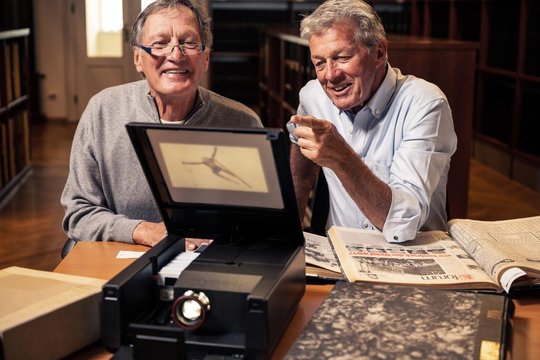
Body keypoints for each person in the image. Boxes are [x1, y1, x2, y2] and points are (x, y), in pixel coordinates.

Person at [61, 0, 262, 248]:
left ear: (205, 57)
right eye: (160, 43)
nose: (175, 55)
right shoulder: (102, 110)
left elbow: (260, 223)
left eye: (188, 43)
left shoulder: (243, 122)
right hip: (122, 257)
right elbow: (78, 214)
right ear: (138, 58)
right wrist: (144, 231)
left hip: (212, 261)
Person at [287, 0, 457, 243]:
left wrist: (341, 158)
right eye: (320, 63)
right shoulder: (312, 96)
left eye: (343, 57)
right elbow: (300, 176)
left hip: (411, 254)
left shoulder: (425, 104)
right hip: (339, 253)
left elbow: (404, 223)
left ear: (379, 52)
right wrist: (285, 240)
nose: (331, 75)